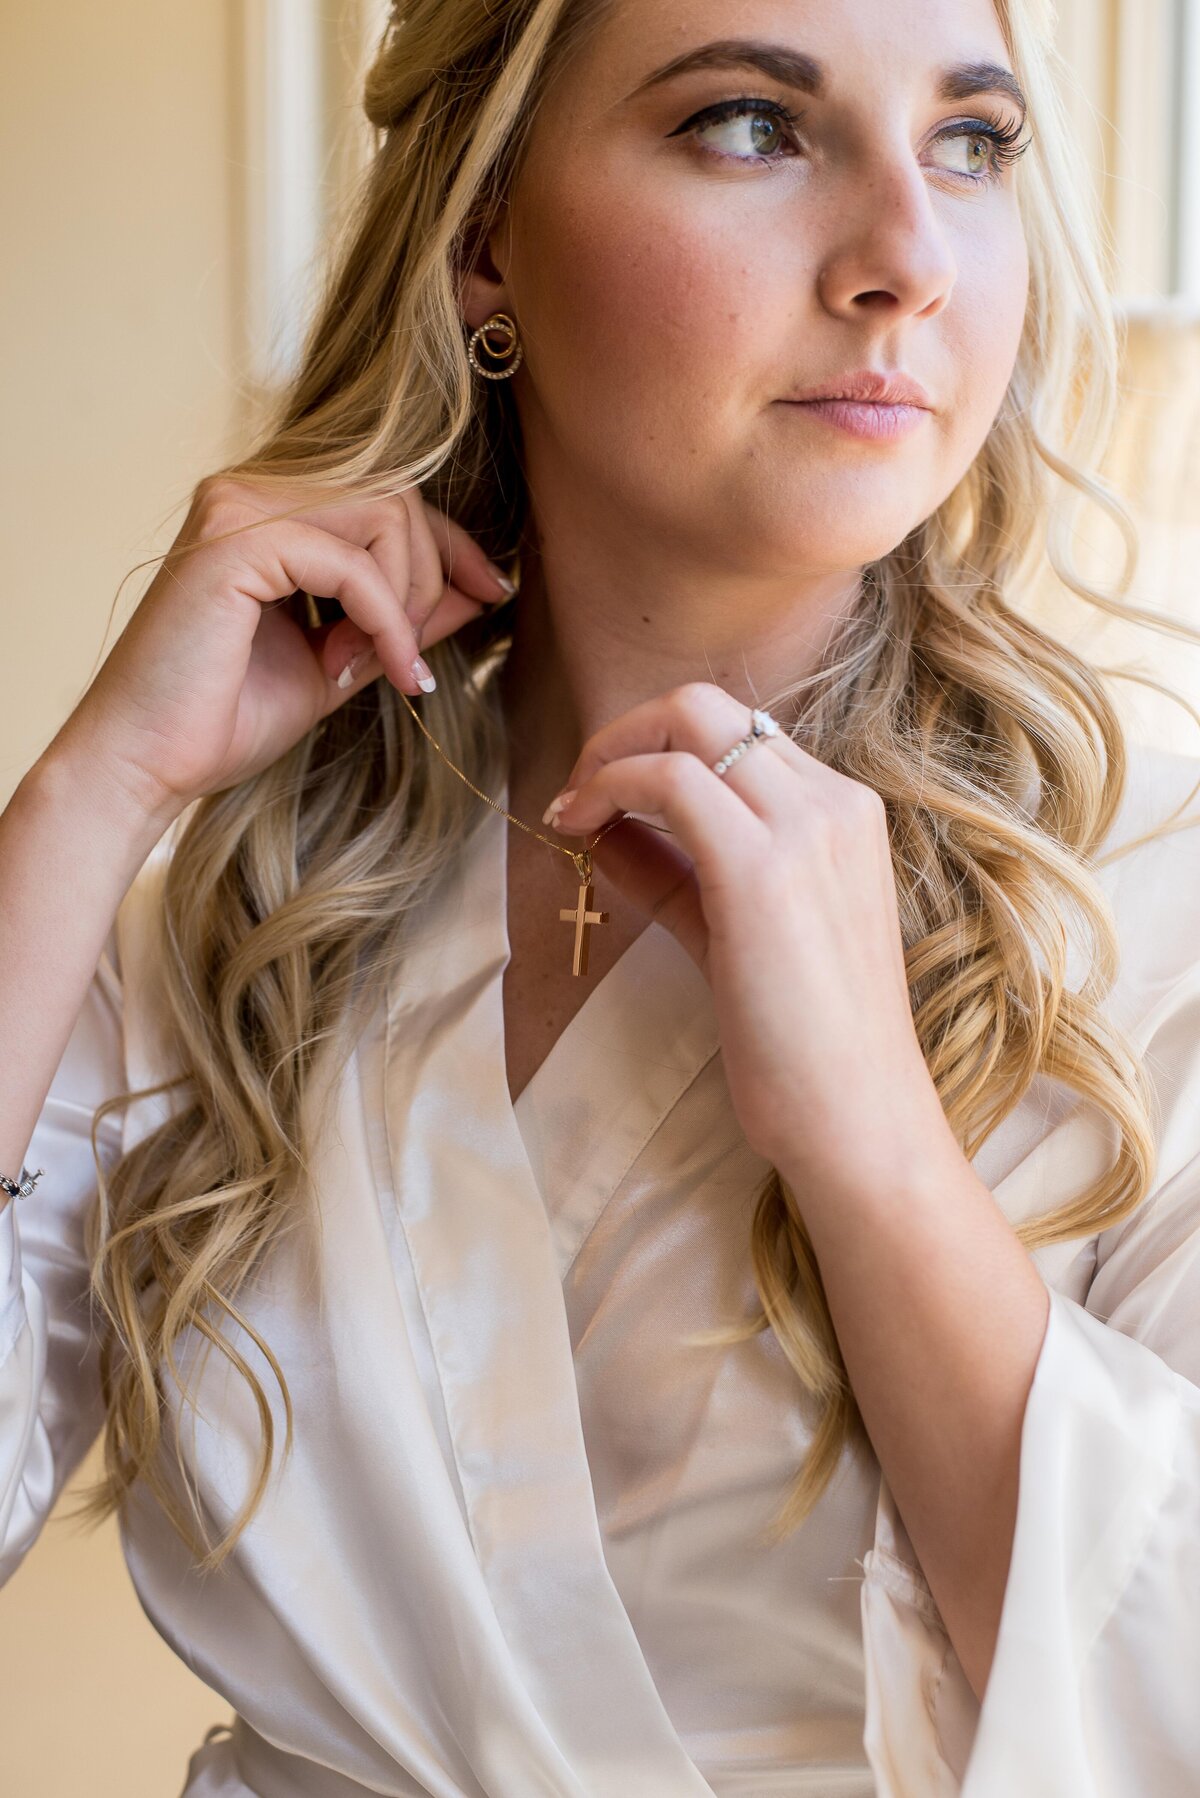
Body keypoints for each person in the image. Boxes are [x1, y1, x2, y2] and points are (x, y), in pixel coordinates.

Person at [4, 0, 1200, 1793]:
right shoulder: (237, 912)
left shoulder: (1151, 894)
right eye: (750, 125)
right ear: (488, 237)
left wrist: (872, 1145)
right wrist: (82, 798)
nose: (907, 260)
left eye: (973, 144)